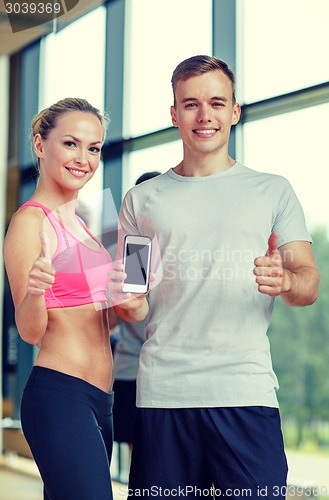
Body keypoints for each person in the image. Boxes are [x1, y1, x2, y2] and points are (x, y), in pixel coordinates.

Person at [108, 55, 320, 499]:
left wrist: (285, 281)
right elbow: (133, 299)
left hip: (246, 390)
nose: (205, 116)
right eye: (190, 104)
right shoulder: (142, 200)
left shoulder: (273, 190)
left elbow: (308, 283)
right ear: (173, 114)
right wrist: (126, 302)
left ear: (235, 111)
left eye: (217, 103)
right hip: (164, 395)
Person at [3, 98, 114, 500]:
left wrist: (131, 295)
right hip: (60, 396)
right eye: (70, 143)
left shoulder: (83, 225)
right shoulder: (29, 222)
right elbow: (31, 330)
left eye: (94, 147)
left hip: (101, 400)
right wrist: (34, 291)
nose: (83, 158)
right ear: (39, 144)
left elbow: (99, 322)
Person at [108, 171, 160, 454]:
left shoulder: (125, 250)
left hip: (131, 369)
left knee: (141, 458)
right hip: (139, 369)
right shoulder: (141, 251)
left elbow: (112, 321)